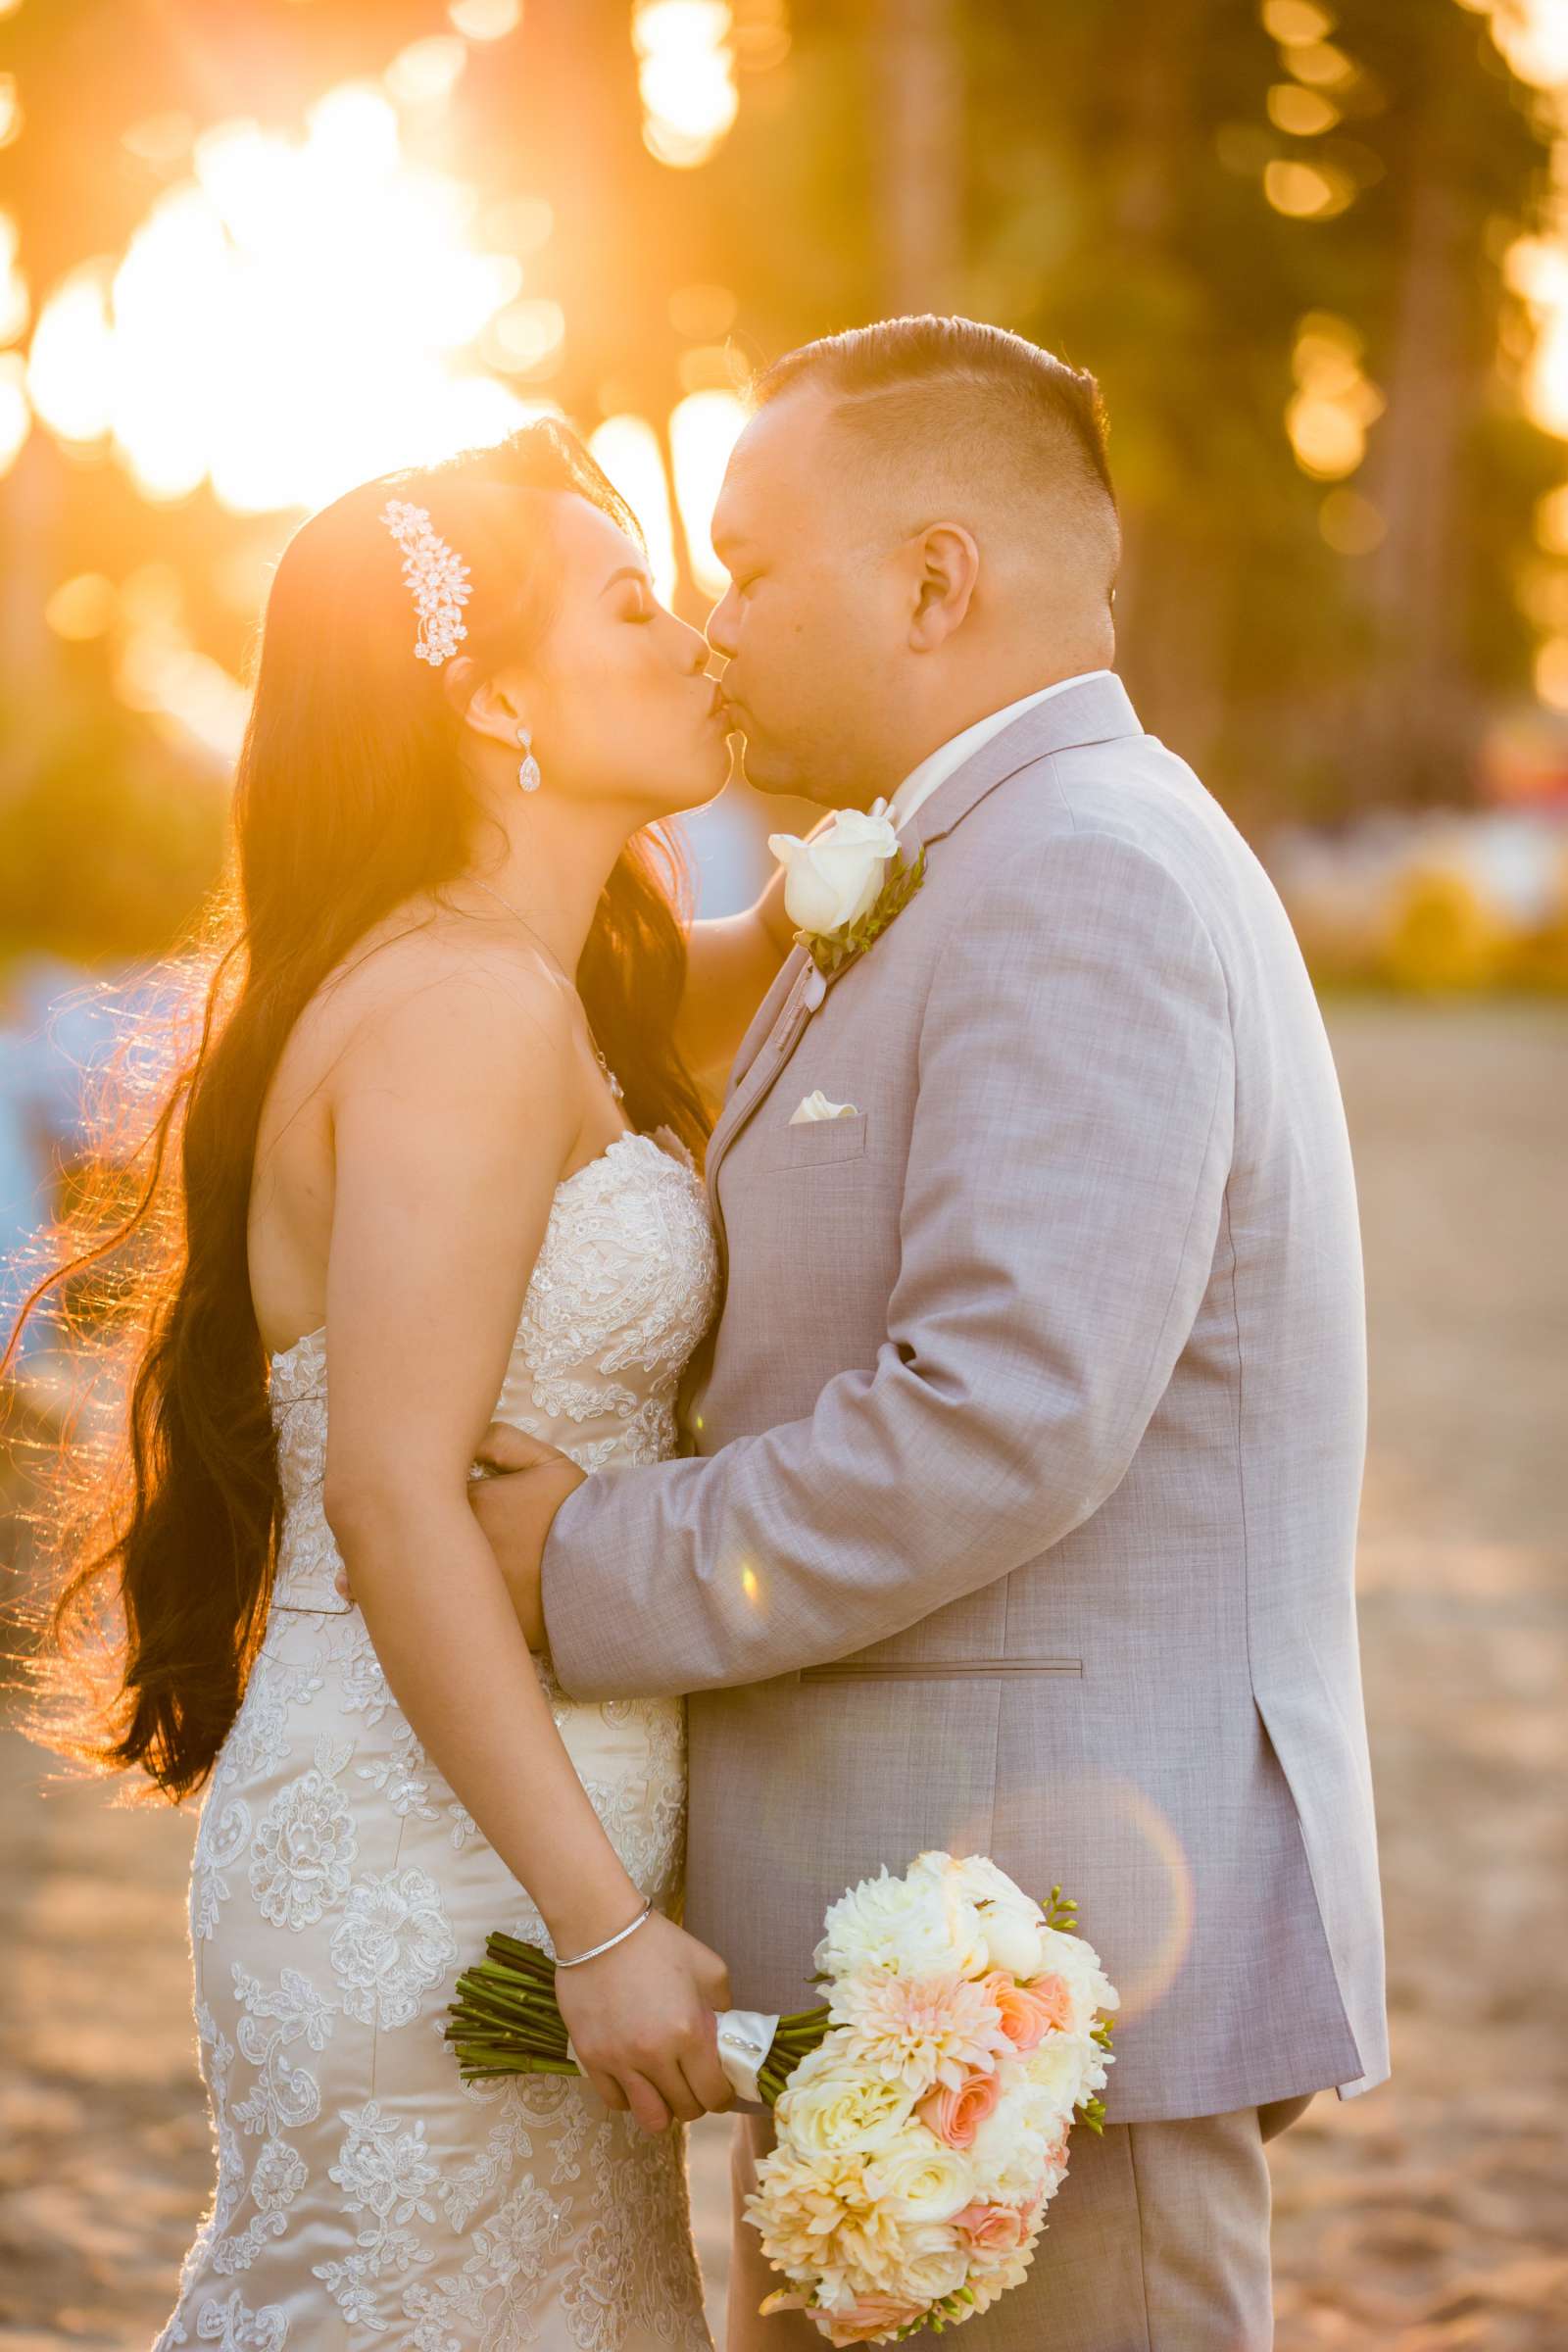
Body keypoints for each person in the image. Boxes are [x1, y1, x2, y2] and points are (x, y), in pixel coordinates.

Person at [462, 317, 1390, 2350]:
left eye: (748, 561)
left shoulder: (1076, 874)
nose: (715, 621)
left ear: (933, 581)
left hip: (1049, 1980)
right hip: (926, 1954)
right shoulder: (957, 863)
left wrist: (582, 1565)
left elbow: (1000, 1416)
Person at [9, 419, 787, 2346]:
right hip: (439, 1867)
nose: (696, 636)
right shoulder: (456, 1011)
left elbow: (791, 944)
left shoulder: (551, 983)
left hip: (514, 1840)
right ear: (498, 700)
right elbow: (385, 1492)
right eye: (635, 604)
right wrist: (599, 1927)